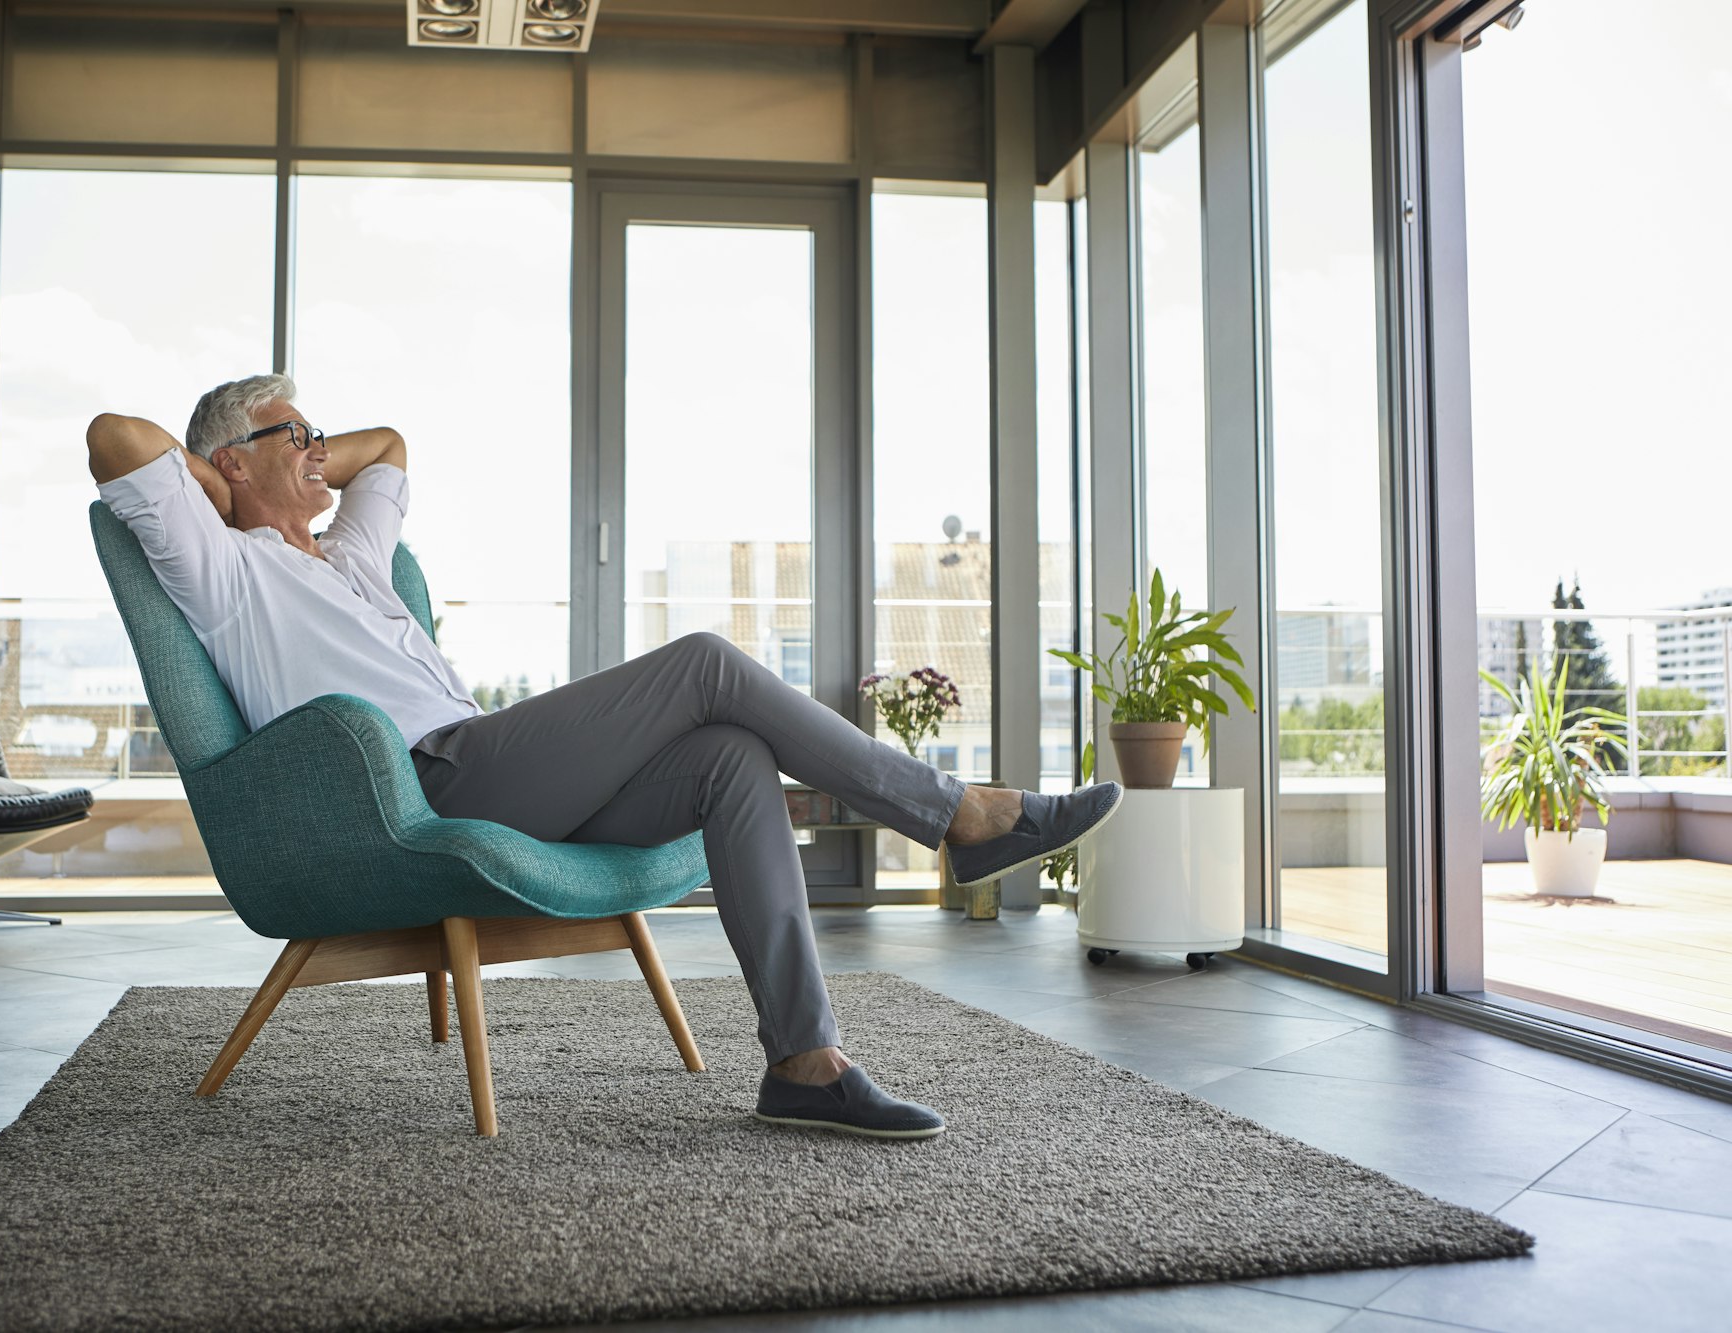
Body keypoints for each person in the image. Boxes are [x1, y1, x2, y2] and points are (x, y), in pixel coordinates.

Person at [88, 373, 1122, 1140]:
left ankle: (805, 1064)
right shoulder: (222, 567)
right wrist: (225, 484)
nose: (322, 448)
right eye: (297, 433)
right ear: (226, 464)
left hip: (499, 769)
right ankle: (956, 815)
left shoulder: (352, 551)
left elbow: (394, 442)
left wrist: (291, 451)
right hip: (421, 779)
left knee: (726, 756)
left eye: (321, 433)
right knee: (707, 663)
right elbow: (112, 435)